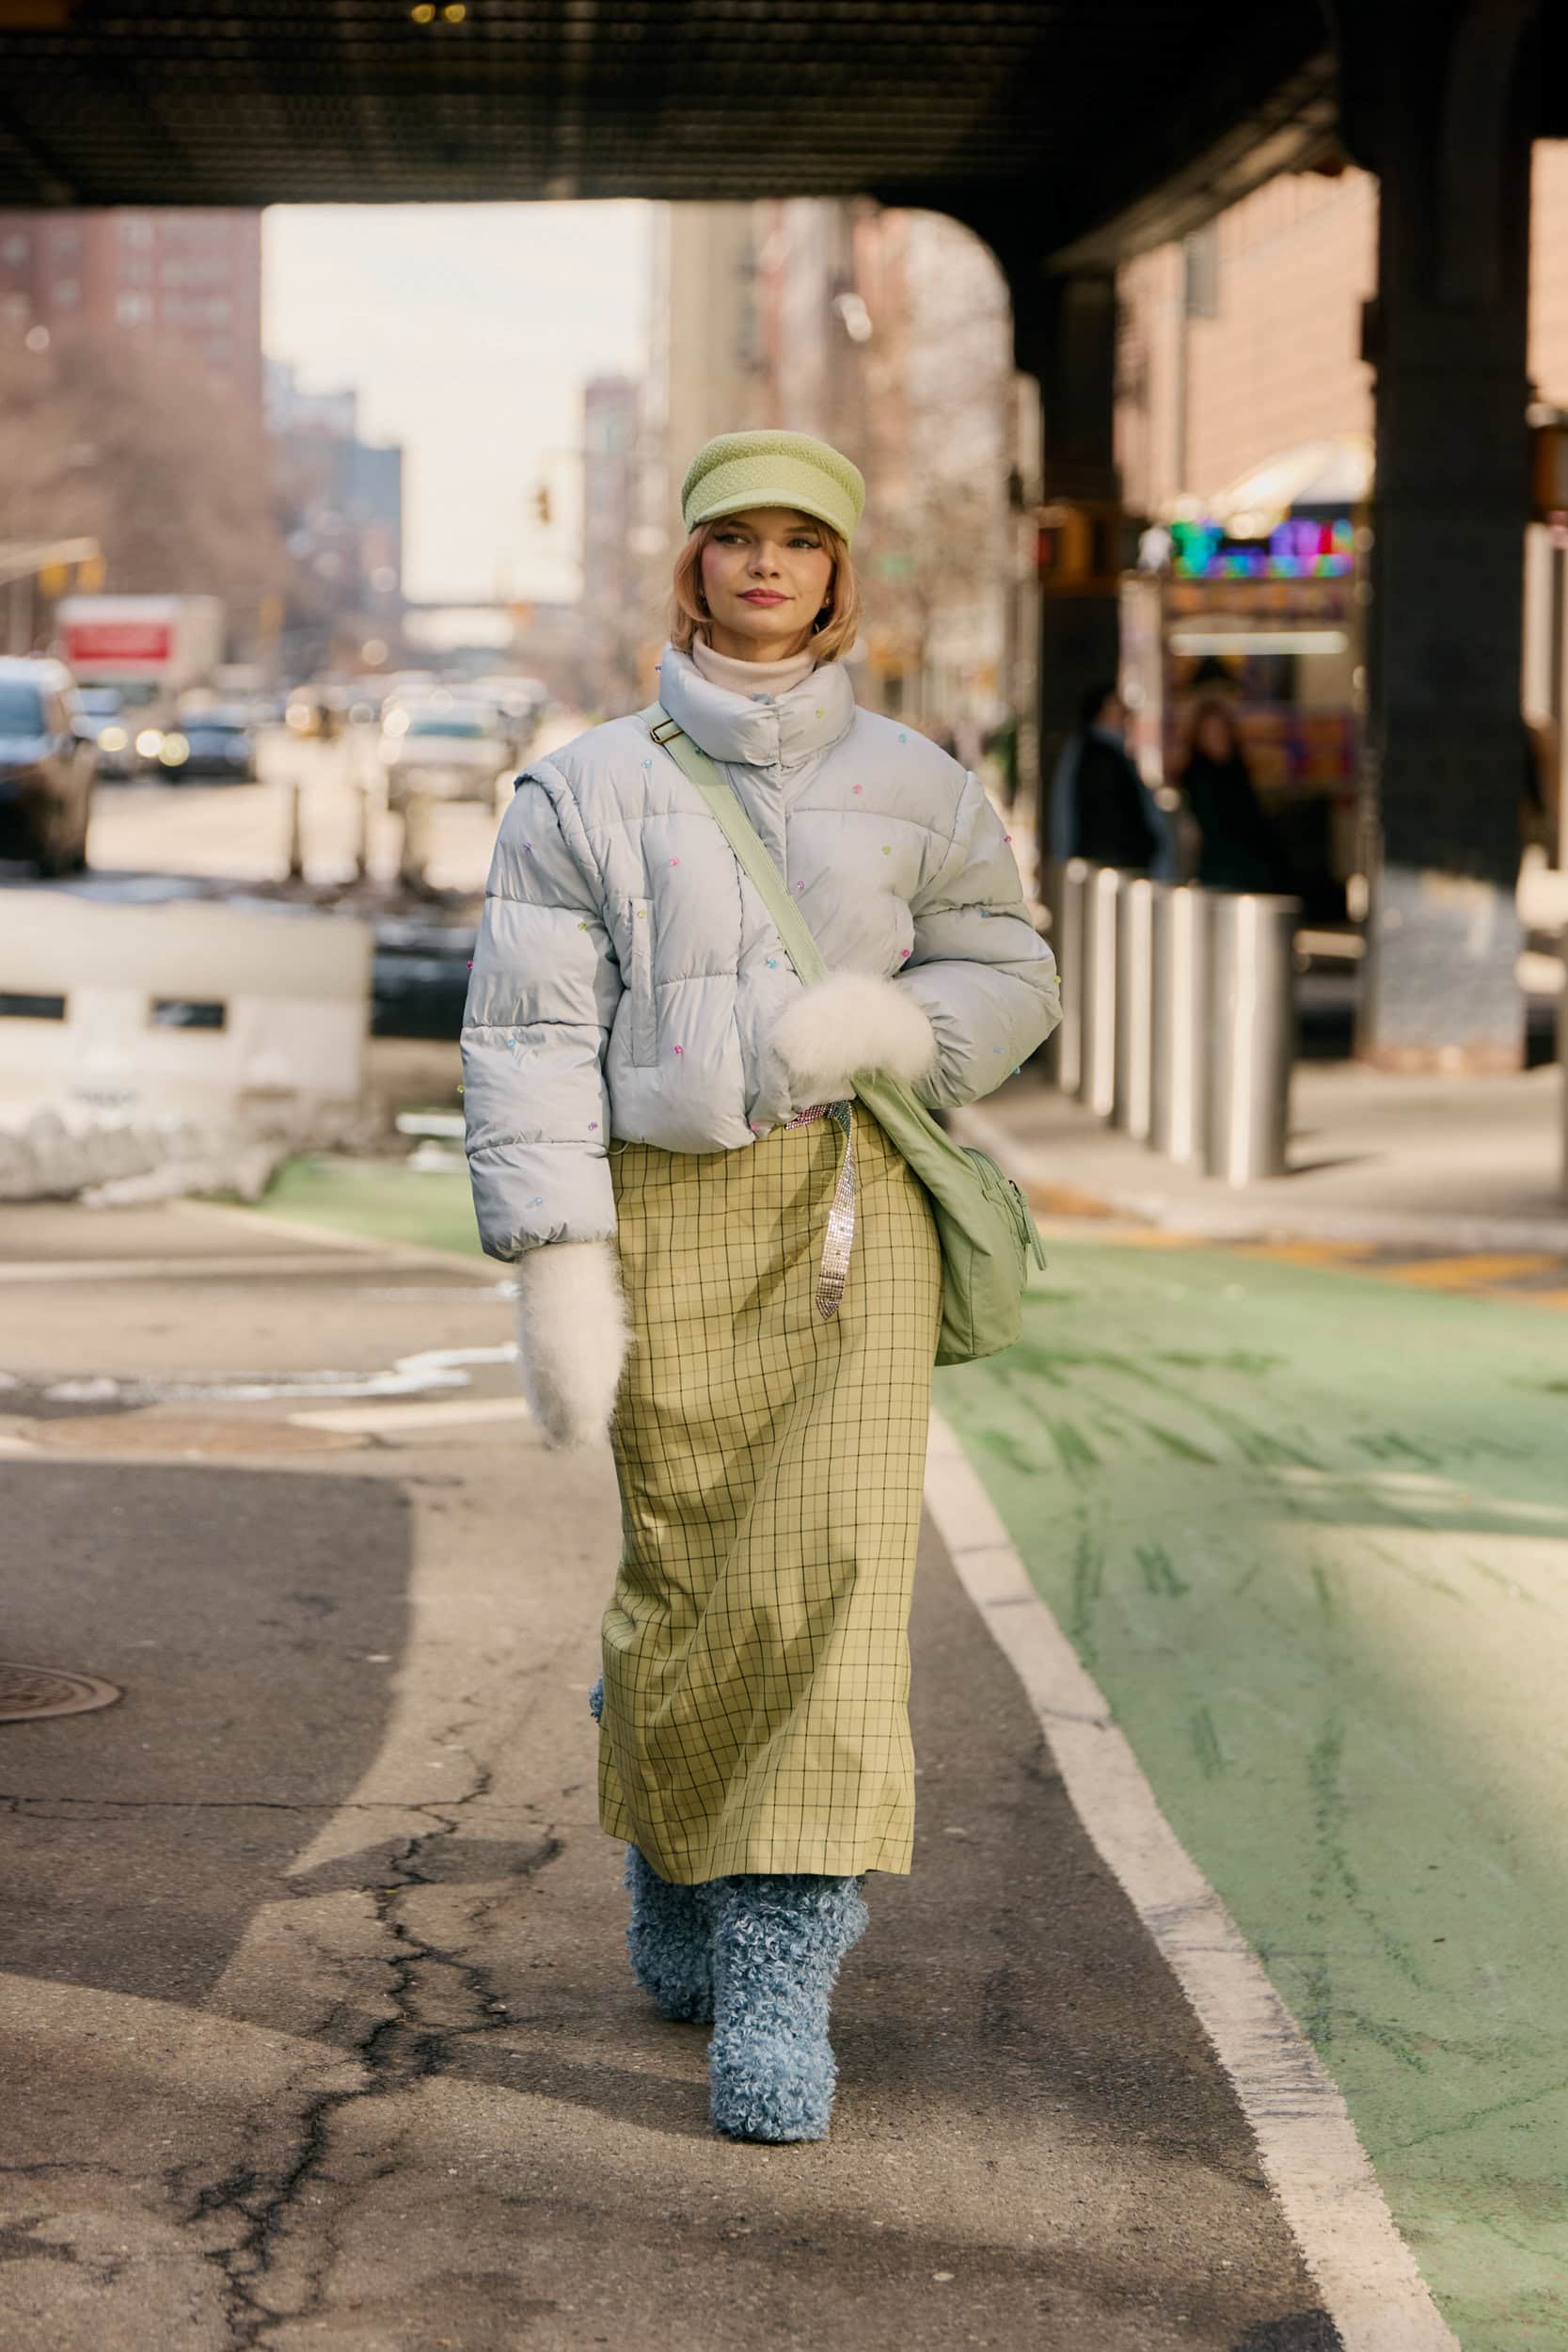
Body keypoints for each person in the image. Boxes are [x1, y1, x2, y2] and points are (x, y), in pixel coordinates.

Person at [461, 429, 1060, 2145]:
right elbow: (525, 1042)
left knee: (839, 1591)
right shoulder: (580, 789)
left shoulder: (921, 782)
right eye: (739, 538)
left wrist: (903, 1031)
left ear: (839, 571)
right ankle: (669, 1828)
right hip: (664, 1215)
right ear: (694, 565)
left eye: (803, 540)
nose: (769, 567)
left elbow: (1005, 961)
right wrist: (556, 1259)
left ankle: (784, 1970)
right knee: (693, 1575)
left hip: (850, 1210)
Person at [1049, 681, 1173, 875]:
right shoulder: (1097, 755)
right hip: (1114, 863)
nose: (1122, 711)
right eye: (1114, 704)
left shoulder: (1103, 751)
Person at [1177, 698, 1282, 893]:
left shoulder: (1237, 770)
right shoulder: (1201, 775)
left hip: (1249, 867)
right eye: (1210, 731)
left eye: (1220, 729)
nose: (1217, 736)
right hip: (1224, 870)